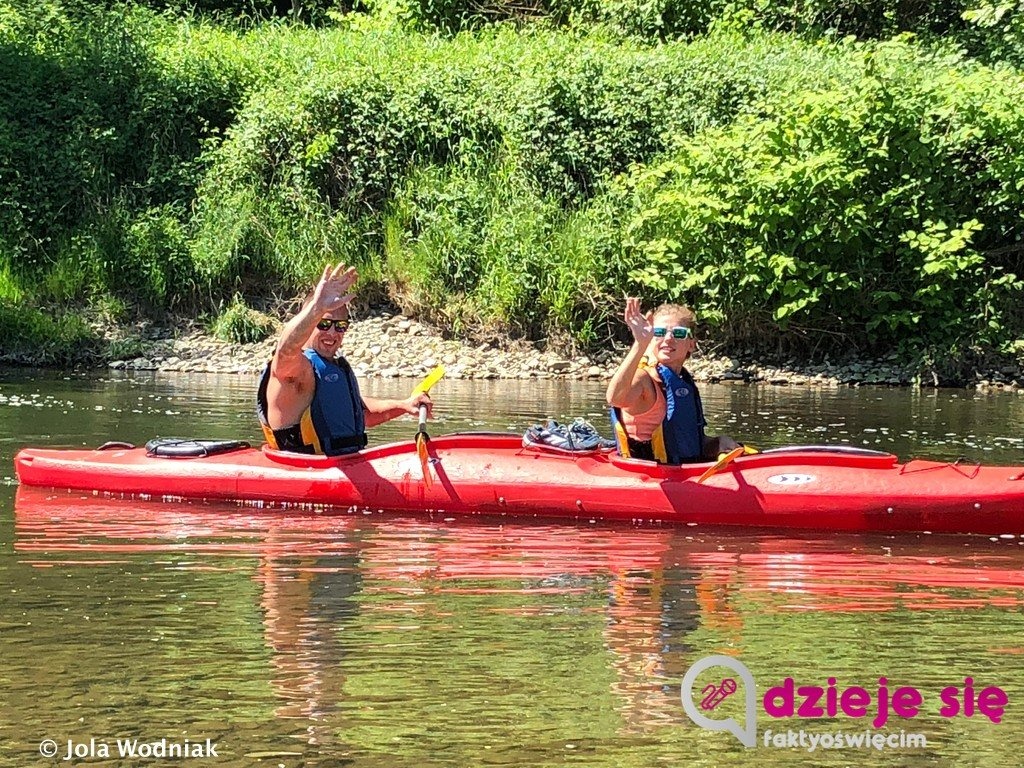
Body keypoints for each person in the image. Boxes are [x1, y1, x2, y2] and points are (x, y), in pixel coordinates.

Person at [257, 262, 432, 455]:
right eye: (324, 324)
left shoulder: (333, 368)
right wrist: (317, 308)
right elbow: (285, 350)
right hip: (308, 469)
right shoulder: (295, 370)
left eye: (340, 326)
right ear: (310, 323)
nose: (332, 332)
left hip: (346, 463)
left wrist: (404, 405)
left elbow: (359, 412)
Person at [606, 298, 739, 464]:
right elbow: (615, 398)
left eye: (678, 333)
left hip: (683, 472)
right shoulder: (643, 379)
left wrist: (718, 443)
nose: (668, 339)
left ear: (691, 344)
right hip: (649, 475)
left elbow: (690, 446)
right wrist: (640, 344)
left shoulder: (683, 383)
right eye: (659, 333)